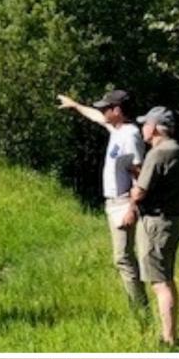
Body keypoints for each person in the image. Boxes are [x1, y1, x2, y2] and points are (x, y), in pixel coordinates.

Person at [57, 89, 148, 309]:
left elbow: (139, 172)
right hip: (114, 203)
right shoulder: (117, 129)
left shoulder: (130, 135)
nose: (102, 111)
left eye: (107, 108)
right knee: (122, 257)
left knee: (123, 258)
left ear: (117, 111)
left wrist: (132, 207)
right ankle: (139, 306)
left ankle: (140, 309)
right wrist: (75, 105)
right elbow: (97, 118)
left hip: (124, 202)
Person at [126, 106, 179, 348]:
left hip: (156, 223)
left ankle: (169, 339)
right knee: (168, 278)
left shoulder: (157, 153)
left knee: (159, 284)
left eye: (145, 124)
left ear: (153, 127)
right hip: (174, 221)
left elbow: (140, 191)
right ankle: (172, 334)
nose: (143, 128)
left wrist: (134, 191)